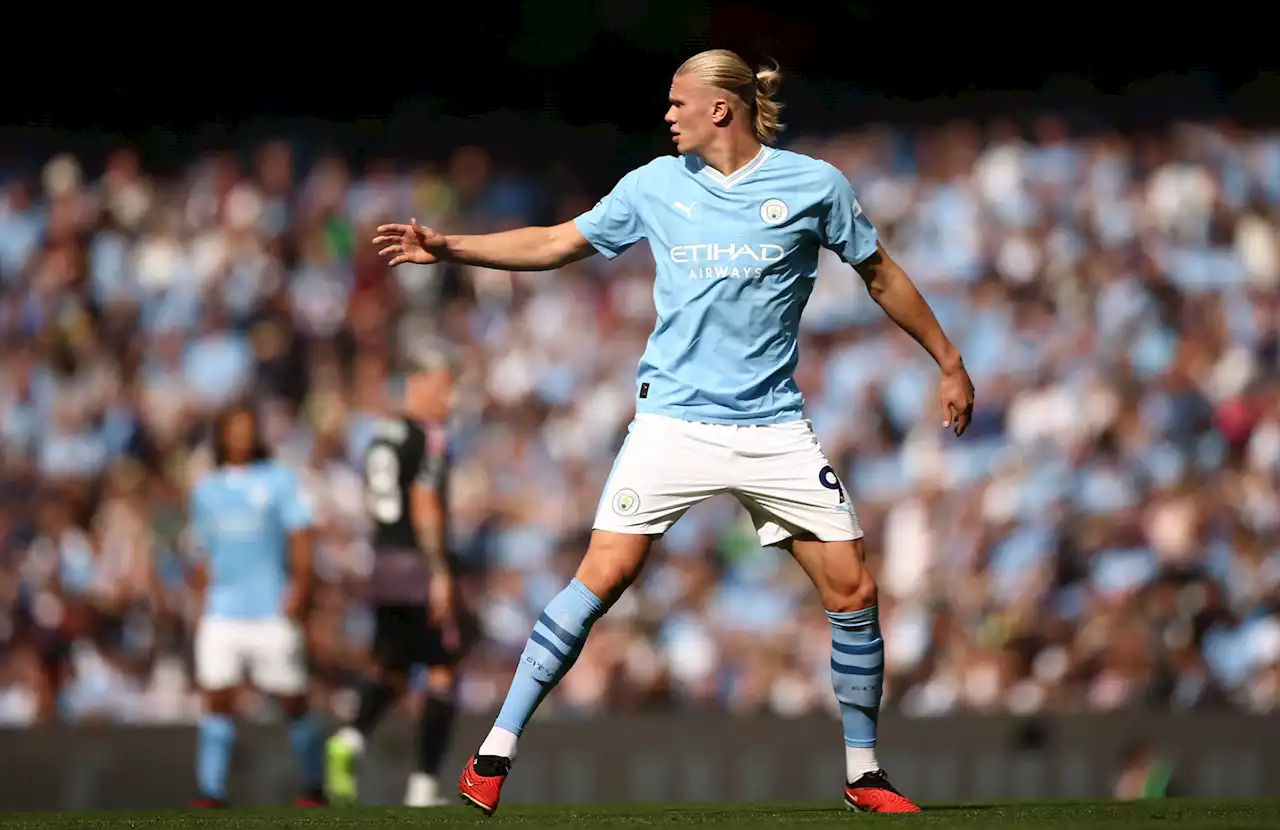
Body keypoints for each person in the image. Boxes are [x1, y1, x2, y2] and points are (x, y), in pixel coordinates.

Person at [374, 49, 975, 815]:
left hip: (772, 427)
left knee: (853, 587)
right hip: (673, 424)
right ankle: (494, 752)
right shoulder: (654, 186)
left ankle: (863, 773)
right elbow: (558, 242)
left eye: (677, 102)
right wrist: (452, 246)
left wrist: (949, 360)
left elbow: (881, 274)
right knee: (603, 576)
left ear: (720, 109)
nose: (666, 115)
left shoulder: (814, 186)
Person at [325, 345, 473, 807]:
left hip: (384, 563)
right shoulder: (429, 436)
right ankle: (424, 785)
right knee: (443, 672)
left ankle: (349, 739)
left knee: (392, 666)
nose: (450, 399)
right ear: (419, 384)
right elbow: (425, 505)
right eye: (444, 387)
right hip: (416, 566)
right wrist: (439, 570)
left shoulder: (378, 434)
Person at [186, 403, 325, 808]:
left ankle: (314, 785)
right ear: (223, 435)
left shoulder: (278, 480)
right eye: (235, 429)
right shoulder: (206, 490)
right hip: (222, 609)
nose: (242, 436)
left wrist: (300, 586)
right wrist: (199, 587)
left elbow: (301, 534)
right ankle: (211, 790)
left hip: (269, 608)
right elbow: (200, 551)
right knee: (216, 696)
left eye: (249, 428)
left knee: (293, 698)